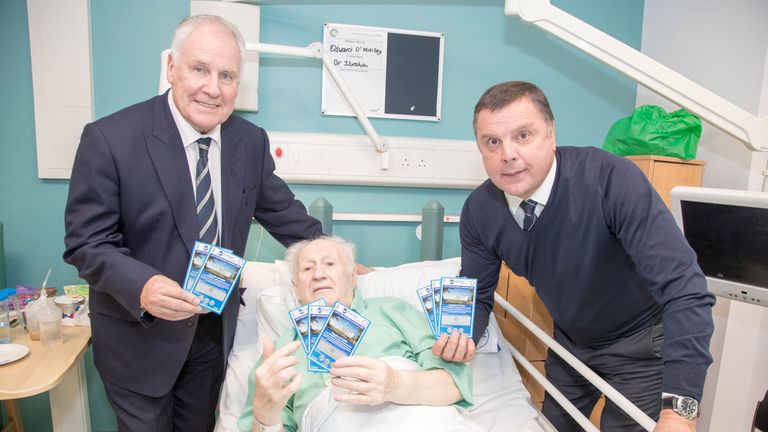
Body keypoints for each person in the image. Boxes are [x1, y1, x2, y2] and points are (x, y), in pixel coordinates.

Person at [63, 15, 322, 431]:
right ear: (171, 67)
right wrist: (143, 287)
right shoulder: (111, 139)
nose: (213, 88)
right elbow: (87, 242)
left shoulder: (248, 142)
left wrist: (333, 258)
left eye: (227, 75)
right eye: (199, 69)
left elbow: (285, 215)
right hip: (138, 339)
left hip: (209, 337)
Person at [437, 81, 715, 432]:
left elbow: (686, 290)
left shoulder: (611, 181)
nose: (507, 154)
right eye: (492, 142)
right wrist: (459, 335)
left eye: (523, 135)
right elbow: (476, 293)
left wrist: (679, 410)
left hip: (640, 346)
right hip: (571, 344)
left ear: (551, 134)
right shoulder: (480, 210)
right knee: (553, 425)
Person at [237, 236, 475, 432]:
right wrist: (265, 416)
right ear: (296, 287)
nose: (318, 274)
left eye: (329, 264)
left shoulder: (392, 309)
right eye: (307, 268)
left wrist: (395, 384)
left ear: (353, 277)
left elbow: (453, 386)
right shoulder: (279, 352)